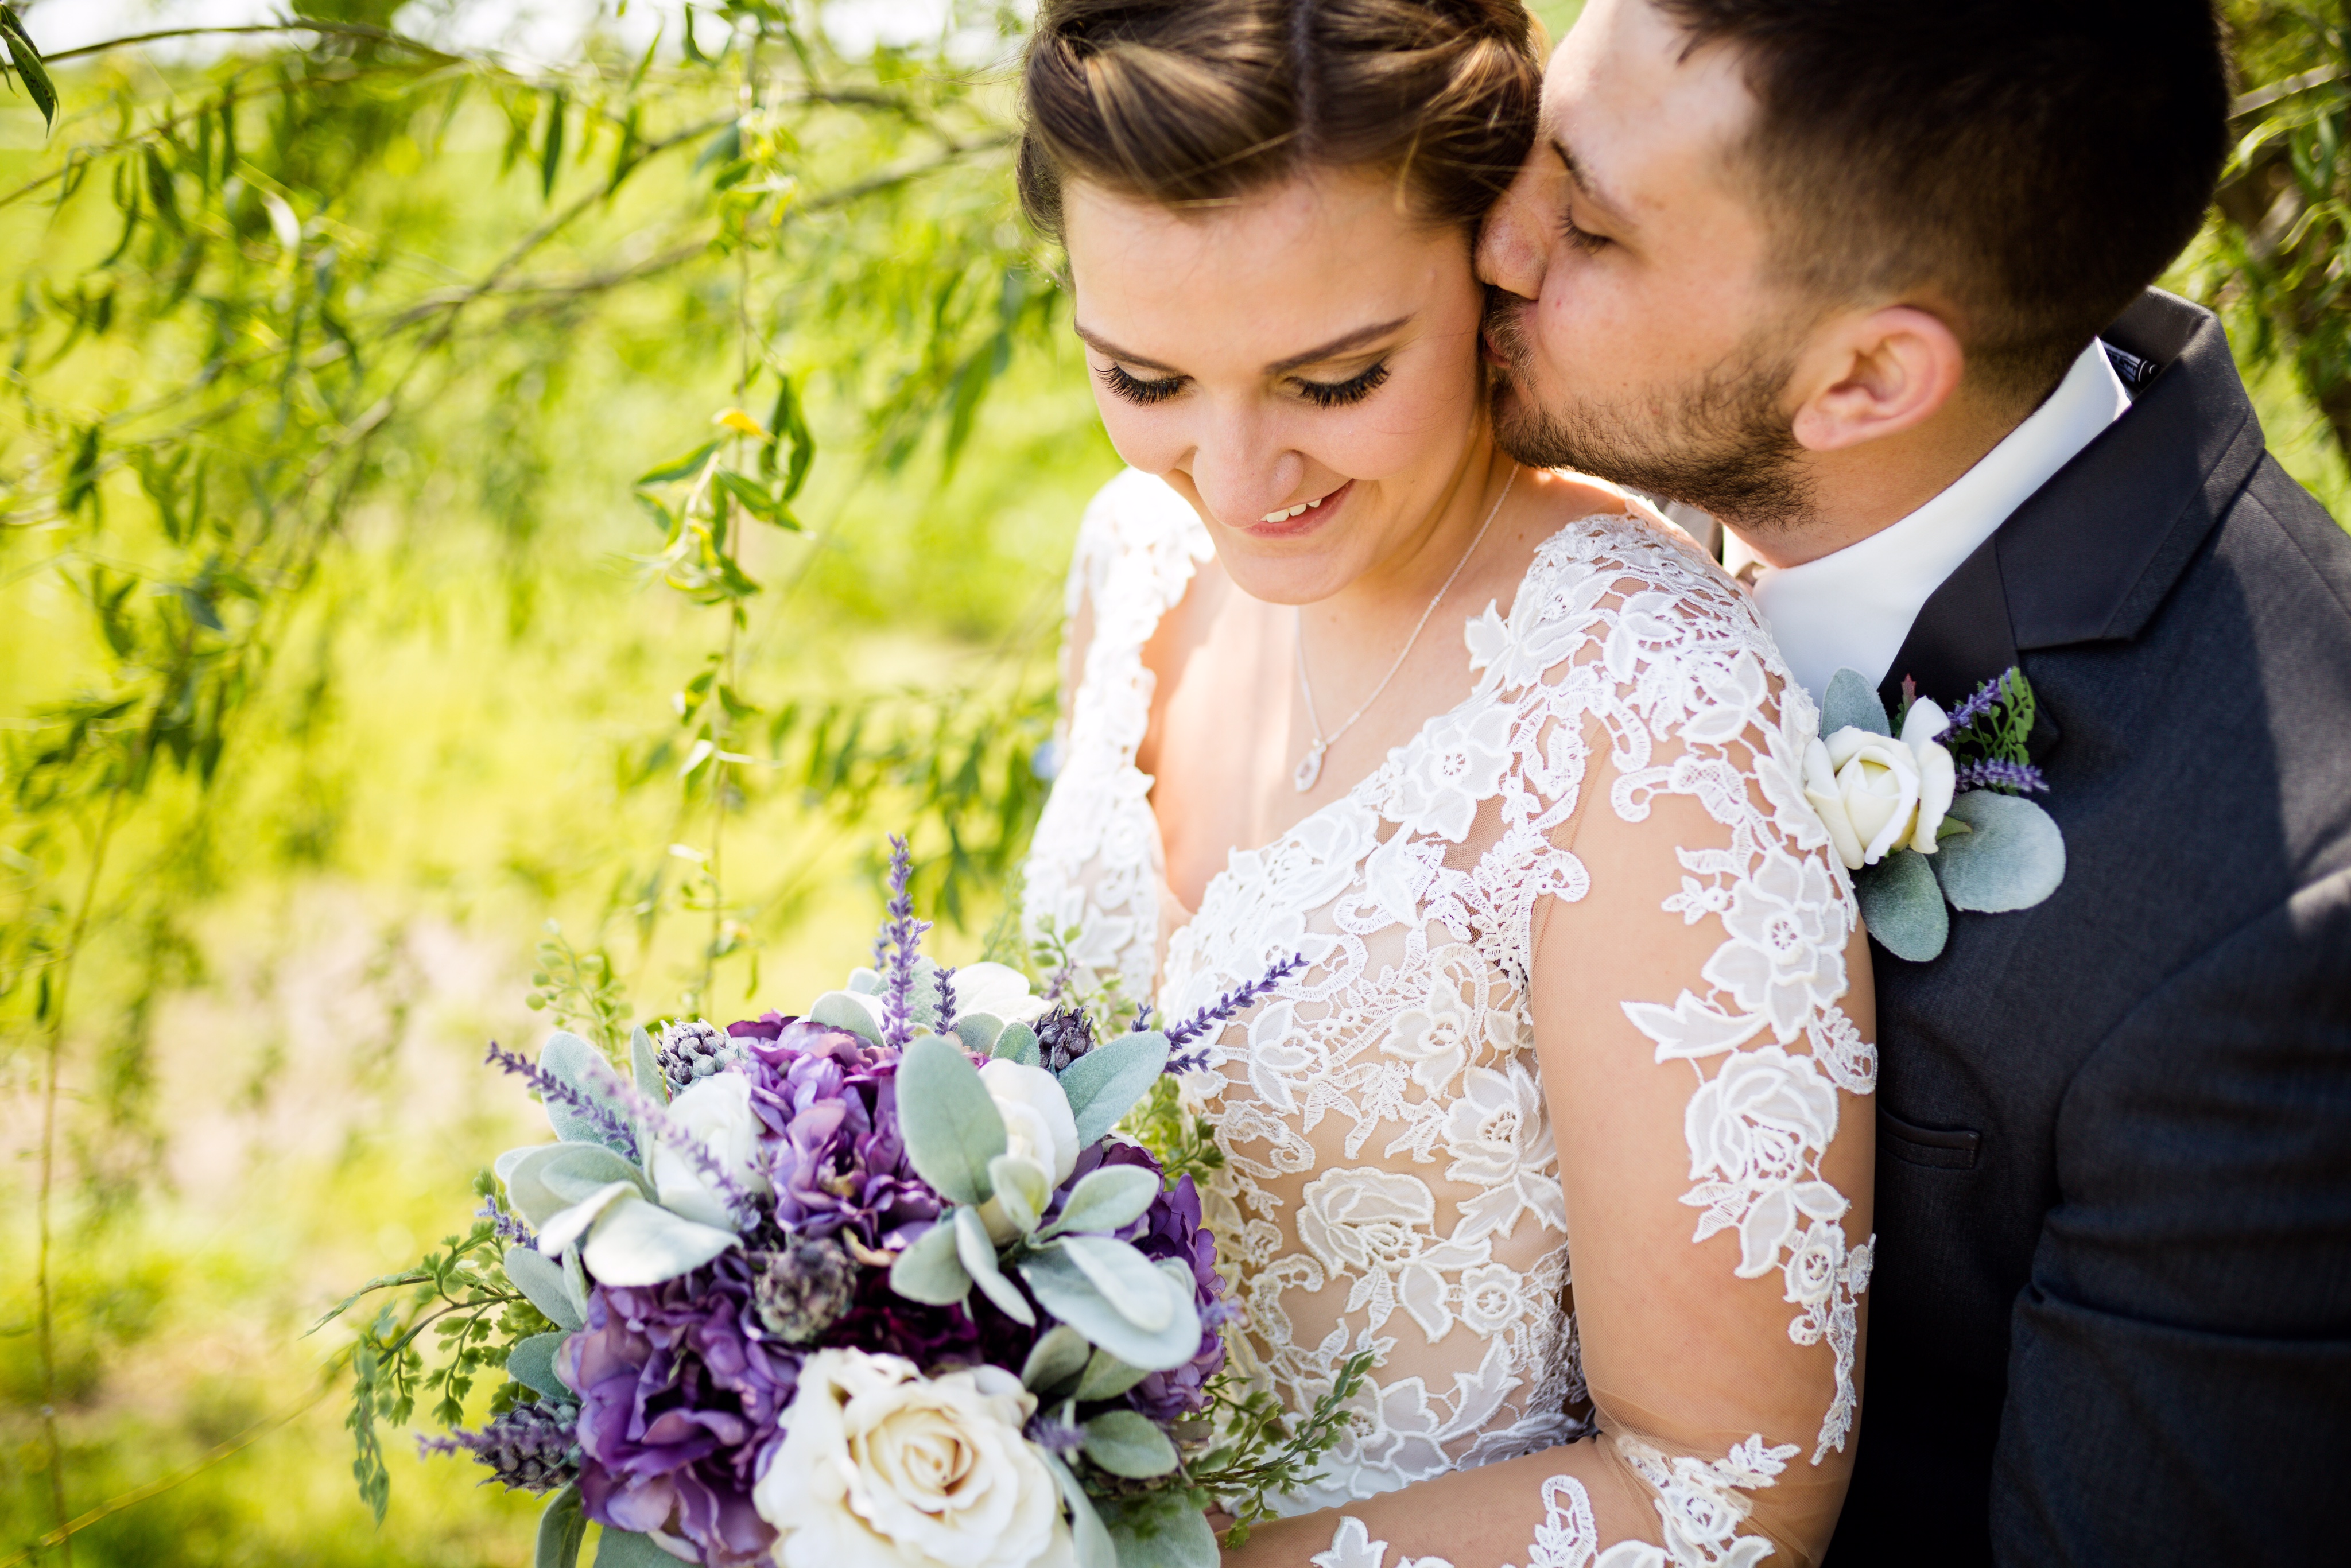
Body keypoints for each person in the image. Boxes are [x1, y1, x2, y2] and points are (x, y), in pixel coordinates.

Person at [1475, 1, 2351, 1562]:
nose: (1495, 243)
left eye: (1590, 227)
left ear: (1869, 380)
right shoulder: (1553, 476)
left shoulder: (2279, 921)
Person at [1019, 2, 1876, 1565]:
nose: (1236, 476)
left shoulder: (1643, 701)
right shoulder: (1135, 560)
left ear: (1492, 260)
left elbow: (1726, 1499)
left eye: (1336, 379)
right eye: (1142, 376)